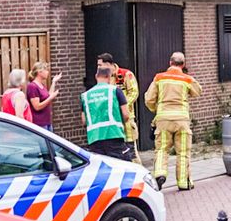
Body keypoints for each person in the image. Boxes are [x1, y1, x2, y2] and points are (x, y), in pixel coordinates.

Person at [144, 52, 202, 190]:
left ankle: (159, 174)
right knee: (183, 152)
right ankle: (183, 183)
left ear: (170, 63)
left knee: (162, 150)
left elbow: (149, 99)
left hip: (163, 120)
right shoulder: (186, 79)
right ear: (183, 64)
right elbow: (198, 91)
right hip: (182, 121)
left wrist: (156, 110)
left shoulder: (159, 78)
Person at [81, 65, 133, 161]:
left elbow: (84, 121)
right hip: (114, 135)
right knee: (122, 167)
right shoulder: (115, 91)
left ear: (96, 76)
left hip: (94, 139)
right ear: (109, 77)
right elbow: (126, 115)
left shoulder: (85, 96)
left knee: (101, 169)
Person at [98, 53, 142, 165]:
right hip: (112, 121)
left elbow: (134, 92)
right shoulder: (103, 78)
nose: (98, 68)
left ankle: (139, 175)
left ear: (108, 64)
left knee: (131, 151)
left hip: (126, 119)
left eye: (100, 65)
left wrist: (121, 105)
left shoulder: (126, 74)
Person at [26, 62, 62, 132]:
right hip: (39, 123)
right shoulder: (32, 86)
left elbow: (48, 96)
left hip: (47, 122)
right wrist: (51, 98)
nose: (48, 72)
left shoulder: (41, 85)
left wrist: (54, 82)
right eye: (46, 70)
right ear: (40, 72)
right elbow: (37, 106)